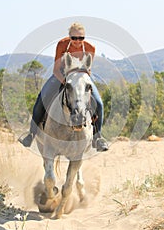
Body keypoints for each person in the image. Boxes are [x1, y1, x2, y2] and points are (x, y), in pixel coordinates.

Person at [19, 22, 108, 152]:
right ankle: (31, 134)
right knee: (42, 98)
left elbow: (87, 69)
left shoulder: (90, 48)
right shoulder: (62, 45)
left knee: (99, 103)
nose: (77, 41)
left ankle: (97, 137)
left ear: (84, 37)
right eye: (74, 38)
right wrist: (66, 83)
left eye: (81, 38)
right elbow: (56, 70)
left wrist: (78, 83)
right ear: (69, 37)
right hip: (61, 76)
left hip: (81, 77)